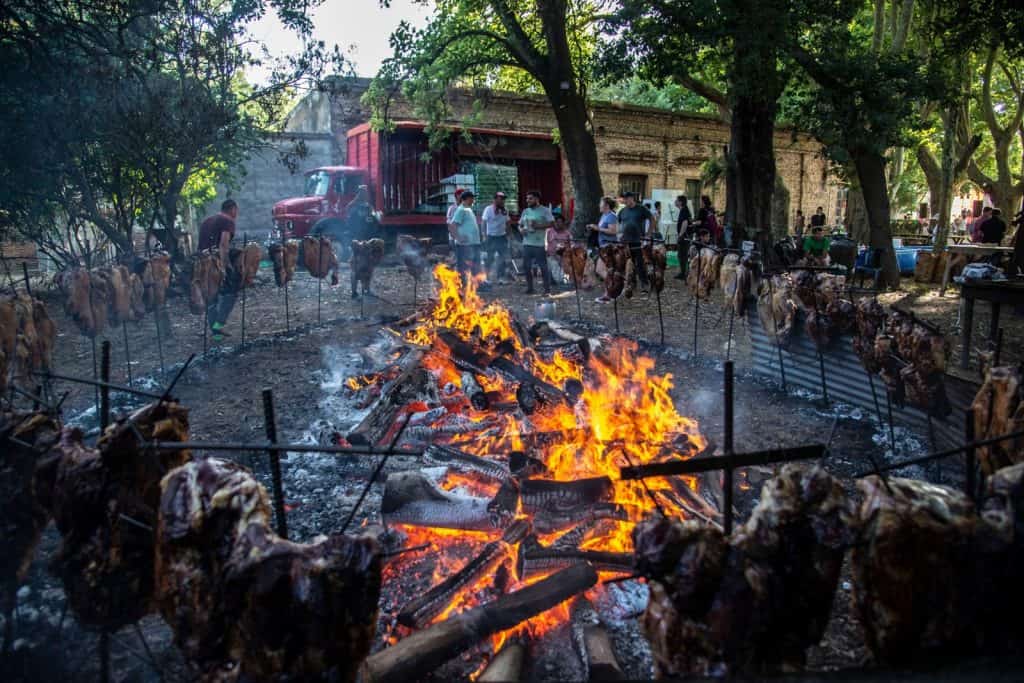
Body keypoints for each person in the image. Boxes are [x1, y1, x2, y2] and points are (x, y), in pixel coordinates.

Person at [198, 199, 239, 342]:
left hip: (201, 263)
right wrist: (226, 265)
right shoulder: (228, 221)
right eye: (236, 210)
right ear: (232, 209)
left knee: (211, 299)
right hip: (214, 262)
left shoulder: (207, 220)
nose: (236, 214)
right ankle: (219, 324)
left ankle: (216, 334)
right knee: (231, 291)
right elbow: (223, 244)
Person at [518, 190, 555, 295]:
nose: (527, 200)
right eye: (527, 198)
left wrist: (538, 226)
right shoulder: (525, 211)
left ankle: (547, 290)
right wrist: (521, 230)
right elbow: (520, 224)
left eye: (530, 198)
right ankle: (530, 288)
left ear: (537, 199)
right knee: (526, 266)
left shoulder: (545, 211)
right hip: (526, 243)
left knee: (543, 266)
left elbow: (552, 224)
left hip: (539, 244)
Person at [617, 191, 652, 293]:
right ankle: (631, 284)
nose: (625, 200)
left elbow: (652, 220)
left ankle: (645, 284)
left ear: (632, 198)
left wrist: (648, 234)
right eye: (624, 198)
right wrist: (619, 235)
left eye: (627, 198)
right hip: (626, 242)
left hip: (638, 241)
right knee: (628, 264)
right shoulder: (622, 211)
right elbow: (618, 223)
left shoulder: (641, 209)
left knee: (640, 263)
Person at [448, 190, 482, 282]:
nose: (473, 200)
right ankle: (462, 285)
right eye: (471, 198)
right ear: (466, 199)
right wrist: (458, 238)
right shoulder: (461, 210)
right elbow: (452, 225)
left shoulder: (468, 209)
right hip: (465, 245)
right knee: (463, 267)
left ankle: (475, 285)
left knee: (474, 265)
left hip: (473, 244)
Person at [481, 191, 510, 283]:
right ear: (495, 200)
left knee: (502, 258)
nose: (502, 201)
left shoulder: (505, 210)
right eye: (500, 199)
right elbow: (484, 223)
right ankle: (486, 278)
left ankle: (500, 277)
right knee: (489, 258)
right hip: (491, 237)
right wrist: (484, 236)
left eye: (503, 199)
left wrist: (508, 235)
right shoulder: (488, 209)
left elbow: (508, 222)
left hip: (502, 237)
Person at [546, 214, 572, 285]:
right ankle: (559, 281)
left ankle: (566, 282)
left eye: (560, 222)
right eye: (556, 222)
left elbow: (571, 244)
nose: (558, 224)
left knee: (567, 267)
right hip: (552, 256)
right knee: (556, 272)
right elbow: (545, 244)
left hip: (564, 256)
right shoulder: (549, 231)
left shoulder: (567, 233)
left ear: (563, 223)